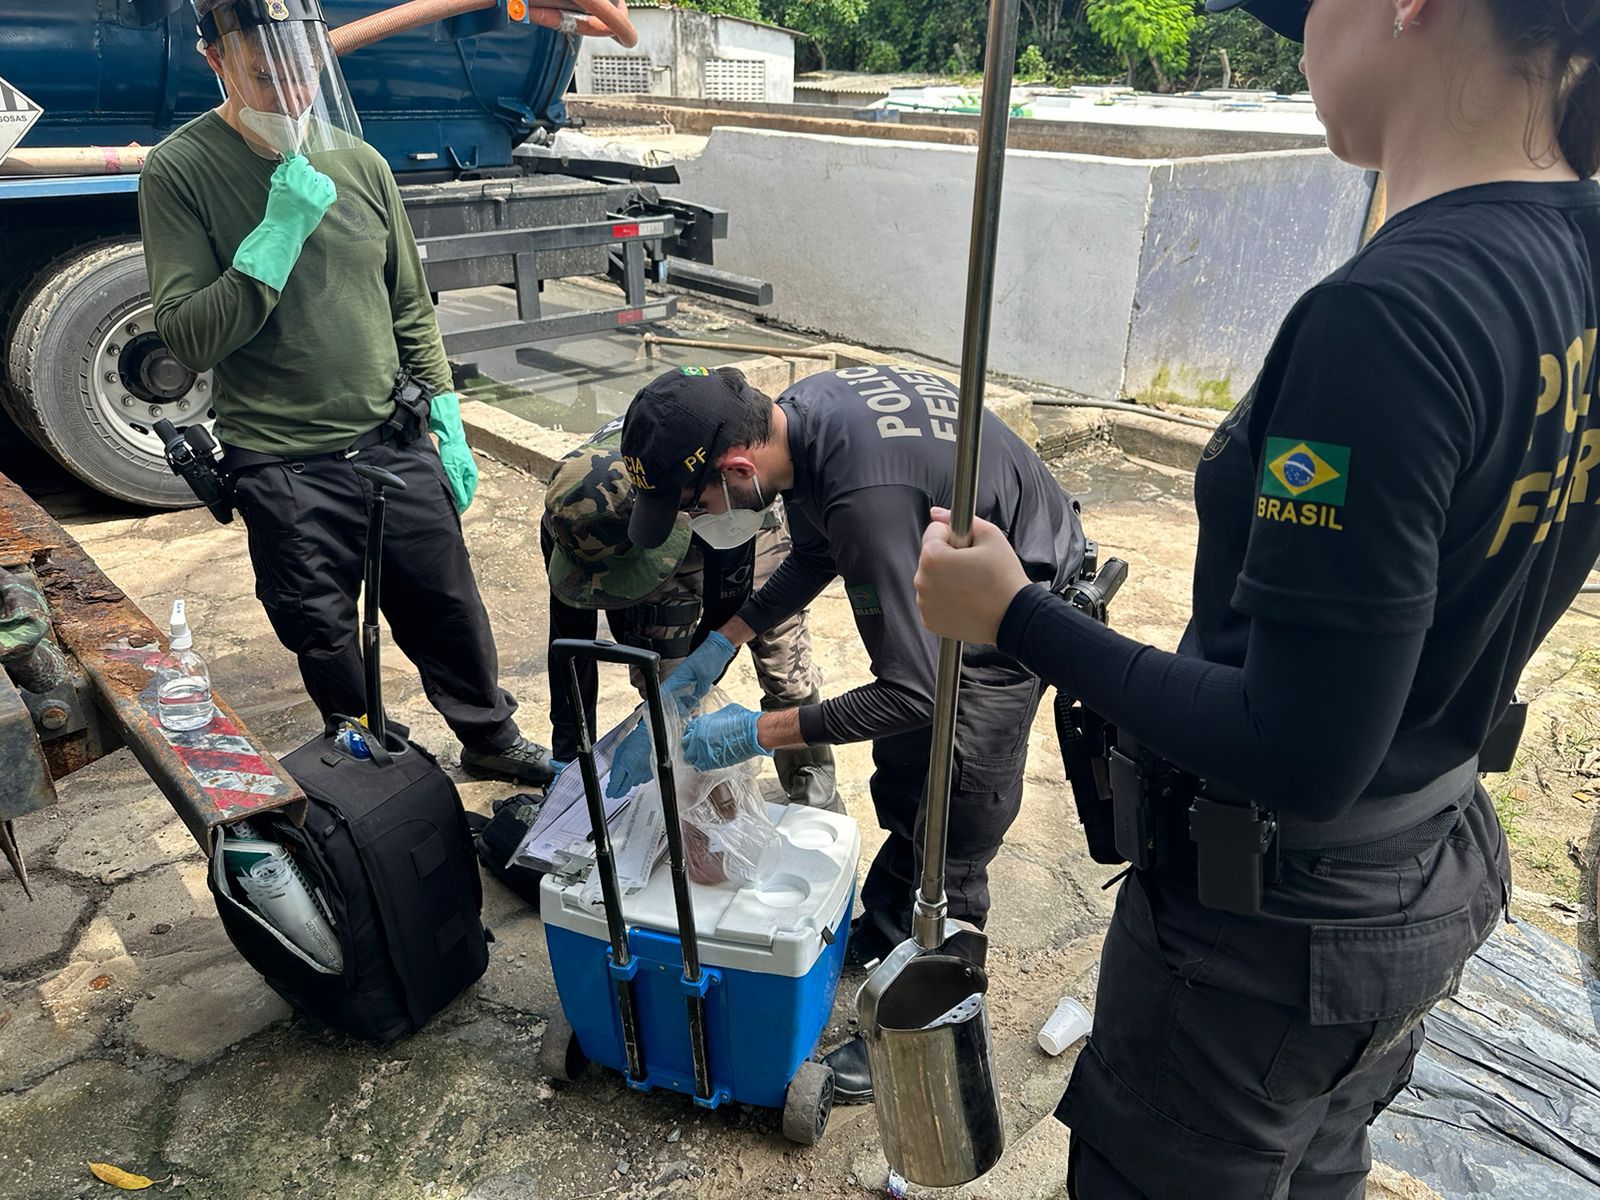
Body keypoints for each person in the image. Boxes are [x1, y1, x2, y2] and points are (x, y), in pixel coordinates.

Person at [915, 0, 1600, 1193]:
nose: (1298, 43)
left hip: (1270, 938)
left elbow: (1298, 750)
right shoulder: (1573, 252)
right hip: (1422, 866)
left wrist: (1016, 615)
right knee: (1316, 1166)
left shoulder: (1390, 317)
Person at [616, 363, 1086, 1102]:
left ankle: (921, 1026)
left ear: (737, 469)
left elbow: (913, 692)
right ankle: (892, 927)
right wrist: (722, 643)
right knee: (906, 775)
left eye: (696, 505)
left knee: (957, 819)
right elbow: (815, 553)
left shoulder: (863, 496)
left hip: (1013, 607)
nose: (699, 520)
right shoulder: (799, 422)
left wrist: (758, 731)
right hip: (954, 584)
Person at [140, 0, 554, 786]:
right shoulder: (180, 169)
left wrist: (445, 416)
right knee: (323, 631)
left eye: (303, 73)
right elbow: (190, 337)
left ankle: (489, 736)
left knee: (447, 606)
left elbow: (409, 303)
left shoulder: (359, 162)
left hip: (391, 438)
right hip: (283, 463)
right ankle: (374, 761)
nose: (292, 94)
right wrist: (278, 232)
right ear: (215, 61)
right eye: (265, 75)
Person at [539, 417, 839, 810]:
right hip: (652, 533)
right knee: (661, 678)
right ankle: (697, 801)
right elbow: (569, 641)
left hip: (735, 522)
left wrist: (696, 683)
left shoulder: (712, 499)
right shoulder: (569, 518)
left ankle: (811, 783)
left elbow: (727, 614)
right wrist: (571, 751)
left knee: (783, 661)